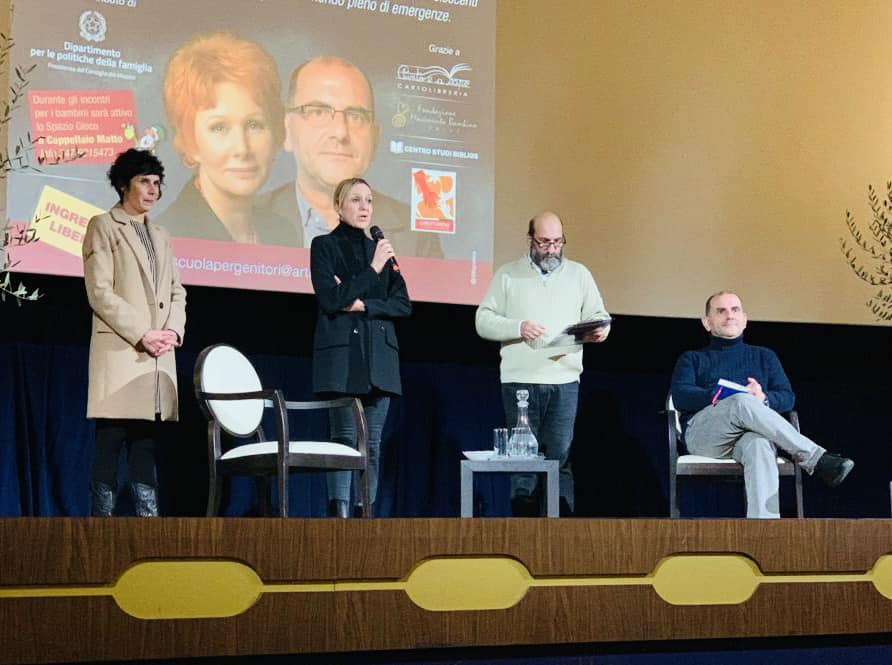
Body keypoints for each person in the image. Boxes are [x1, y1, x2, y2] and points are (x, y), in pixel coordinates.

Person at [669, 291, 854, 518]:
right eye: (721, 311)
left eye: (735, 310)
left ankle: (764, 530)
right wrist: (720, 395)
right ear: (707, 322)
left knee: (759, 444)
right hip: (706, 436)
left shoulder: (765, 357)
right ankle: (817, 459)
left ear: (745, 319)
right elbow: (682, 396)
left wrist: (763, 399)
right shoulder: (692, 358)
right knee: (741, 400)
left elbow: (787, 398)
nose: (730, 315)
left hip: (748, 436)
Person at [475, 211, 610, 516]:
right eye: (544, 242)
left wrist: (600, 331)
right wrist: (518, 326)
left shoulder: (579, 274)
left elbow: (599, 315)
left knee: (560, 460)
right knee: (523, 464)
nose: (551, 249)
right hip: (520, 382)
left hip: (564, 382)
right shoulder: (508, 275)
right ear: (530, 240)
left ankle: (560, 532)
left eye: (558, 242)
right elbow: (482, 320)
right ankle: (524, 531)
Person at [82, 148, 187, 516]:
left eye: (157, 183)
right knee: (111, 439)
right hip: (123, 350)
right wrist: (144, 333)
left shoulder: (161, 233)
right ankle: (101, 528)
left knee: (145, 443)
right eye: (145, 181)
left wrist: (172, 331)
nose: (153, 189)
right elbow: (100, 292)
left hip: (157, 356)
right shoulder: (103, 225)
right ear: (124, 184)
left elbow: (177, 290)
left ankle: (146, 527)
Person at [267, 55, 442, 257]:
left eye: (356, 116)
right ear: (287, 131)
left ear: (375, 139)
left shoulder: (417, 234)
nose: (340, 132)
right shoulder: (250, 218)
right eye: (318, 112)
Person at [310, 177, 411, 517]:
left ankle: (364, 513)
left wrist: (364, 304)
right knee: (343, 438)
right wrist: (372, 271)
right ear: (339, 207)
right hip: (343, 356)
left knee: (373, 443)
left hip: (379, 358)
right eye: (355, 200)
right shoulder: (324, 246)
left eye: (368, 200)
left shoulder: (381, 249)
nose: (364, 206)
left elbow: (403, 305)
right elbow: (331, 298)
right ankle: (338, 514)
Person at [156, 32, 292, 244]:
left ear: (275, 133)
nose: (242, 148)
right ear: (190, 142)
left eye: (254, 125)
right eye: (219, 127)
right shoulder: (162, 240)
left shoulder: (284, 233)